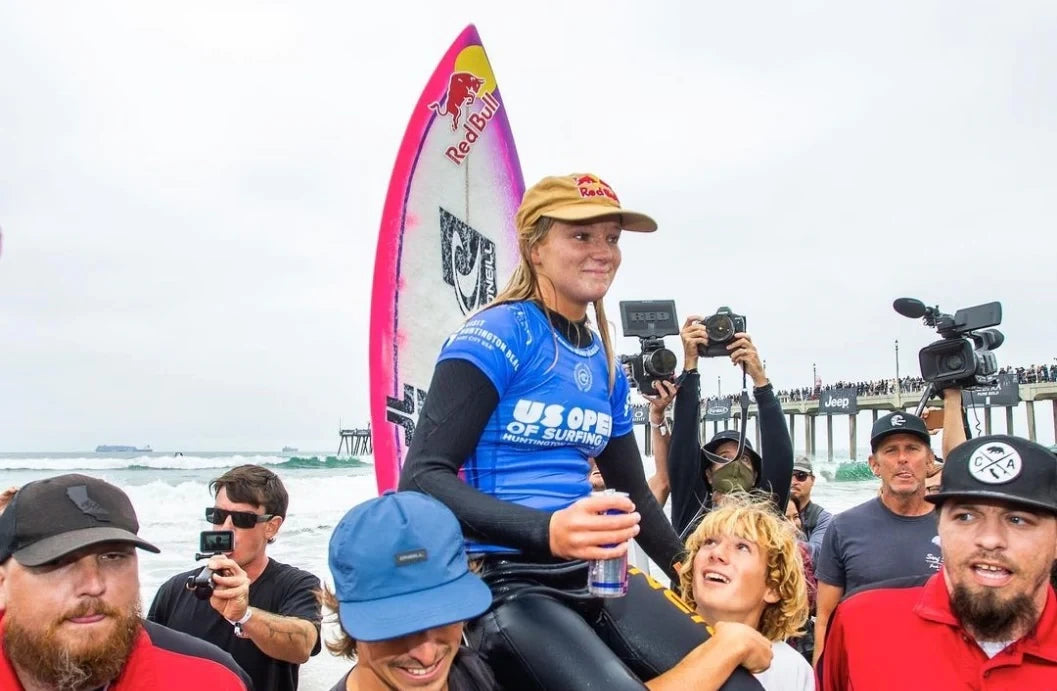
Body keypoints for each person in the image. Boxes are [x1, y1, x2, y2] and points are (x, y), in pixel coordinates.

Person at [399, 173, 772, 690]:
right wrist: (545, 531)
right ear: (534, 247)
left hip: (598, 574)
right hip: (509, 581)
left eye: (612, 238)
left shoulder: (605, 362)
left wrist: (686, 567)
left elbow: (634, 491)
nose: (603, 252)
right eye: (581, 236)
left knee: (737, 685)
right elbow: (420, 477)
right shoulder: (497, 334)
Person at [819, 435, 1057, 688]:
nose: (989, 539)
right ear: (939, 528)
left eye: (1017, 520)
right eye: (965, 516)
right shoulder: (860, 622)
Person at [0, 474, 251, 690]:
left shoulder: (211, 679)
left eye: (112, 557)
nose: (93, 584)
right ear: (3, 583)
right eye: (57, 562)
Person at [148, 465, 321, 691]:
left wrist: (244, 615)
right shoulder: (175, 589)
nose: (226, 527)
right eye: (218, 515)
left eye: (242, 519)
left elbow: (302, 645)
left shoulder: (296, 585)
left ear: (271, 526)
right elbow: (147, 661)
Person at [322, 491, 497, 691]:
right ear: (346, 622)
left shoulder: (483, 672)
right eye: (397, 628)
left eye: (443, 616)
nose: (427, 656)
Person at [812, 412, 943, 664]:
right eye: (891, 451)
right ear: (874, 464)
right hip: (864, 669)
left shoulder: (954, 528)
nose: (902, 459)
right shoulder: (843, 527)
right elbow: (825, 618)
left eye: (913, 449)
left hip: (938, 668)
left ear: (929, 461)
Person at [664, 316, 793, 538]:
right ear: (708, 474)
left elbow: (780, 454)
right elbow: (684, 442)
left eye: (743, 459)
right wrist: (690, 365)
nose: (734, 463)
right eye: (723, 456)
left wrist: (759, 379)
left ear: (755, 477)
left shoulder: (764, 517)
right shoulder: (692, 510)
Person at [679, 493, 814, 690]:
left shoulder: (791, 669)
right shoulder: (653, 639)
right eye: (709, 542)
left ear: (774, 587)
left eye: (742, 547)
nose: (717, 554)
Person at [788, 457, 832, 562]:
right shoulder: (774, 510)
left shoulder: (823, 518)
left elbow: (817, 553)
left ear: (812, 480)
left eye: (801, 476)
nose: (794, 482)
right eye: (790, 476)